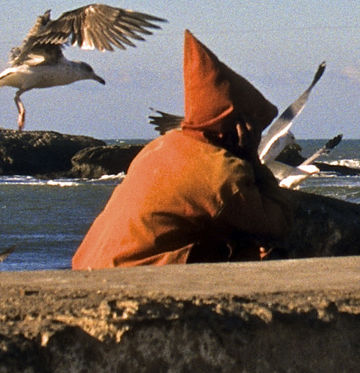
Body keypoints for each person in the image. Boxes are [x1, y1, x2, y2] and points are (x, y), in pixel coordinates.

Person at [71, 31, 291, 268]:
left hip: (88, 267)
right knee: (270, 249)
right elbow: (278, 224)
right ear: (240, 127)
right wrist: (251, 158)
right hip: (132, 277)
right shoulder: (221, 173)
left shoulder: (160, 147)